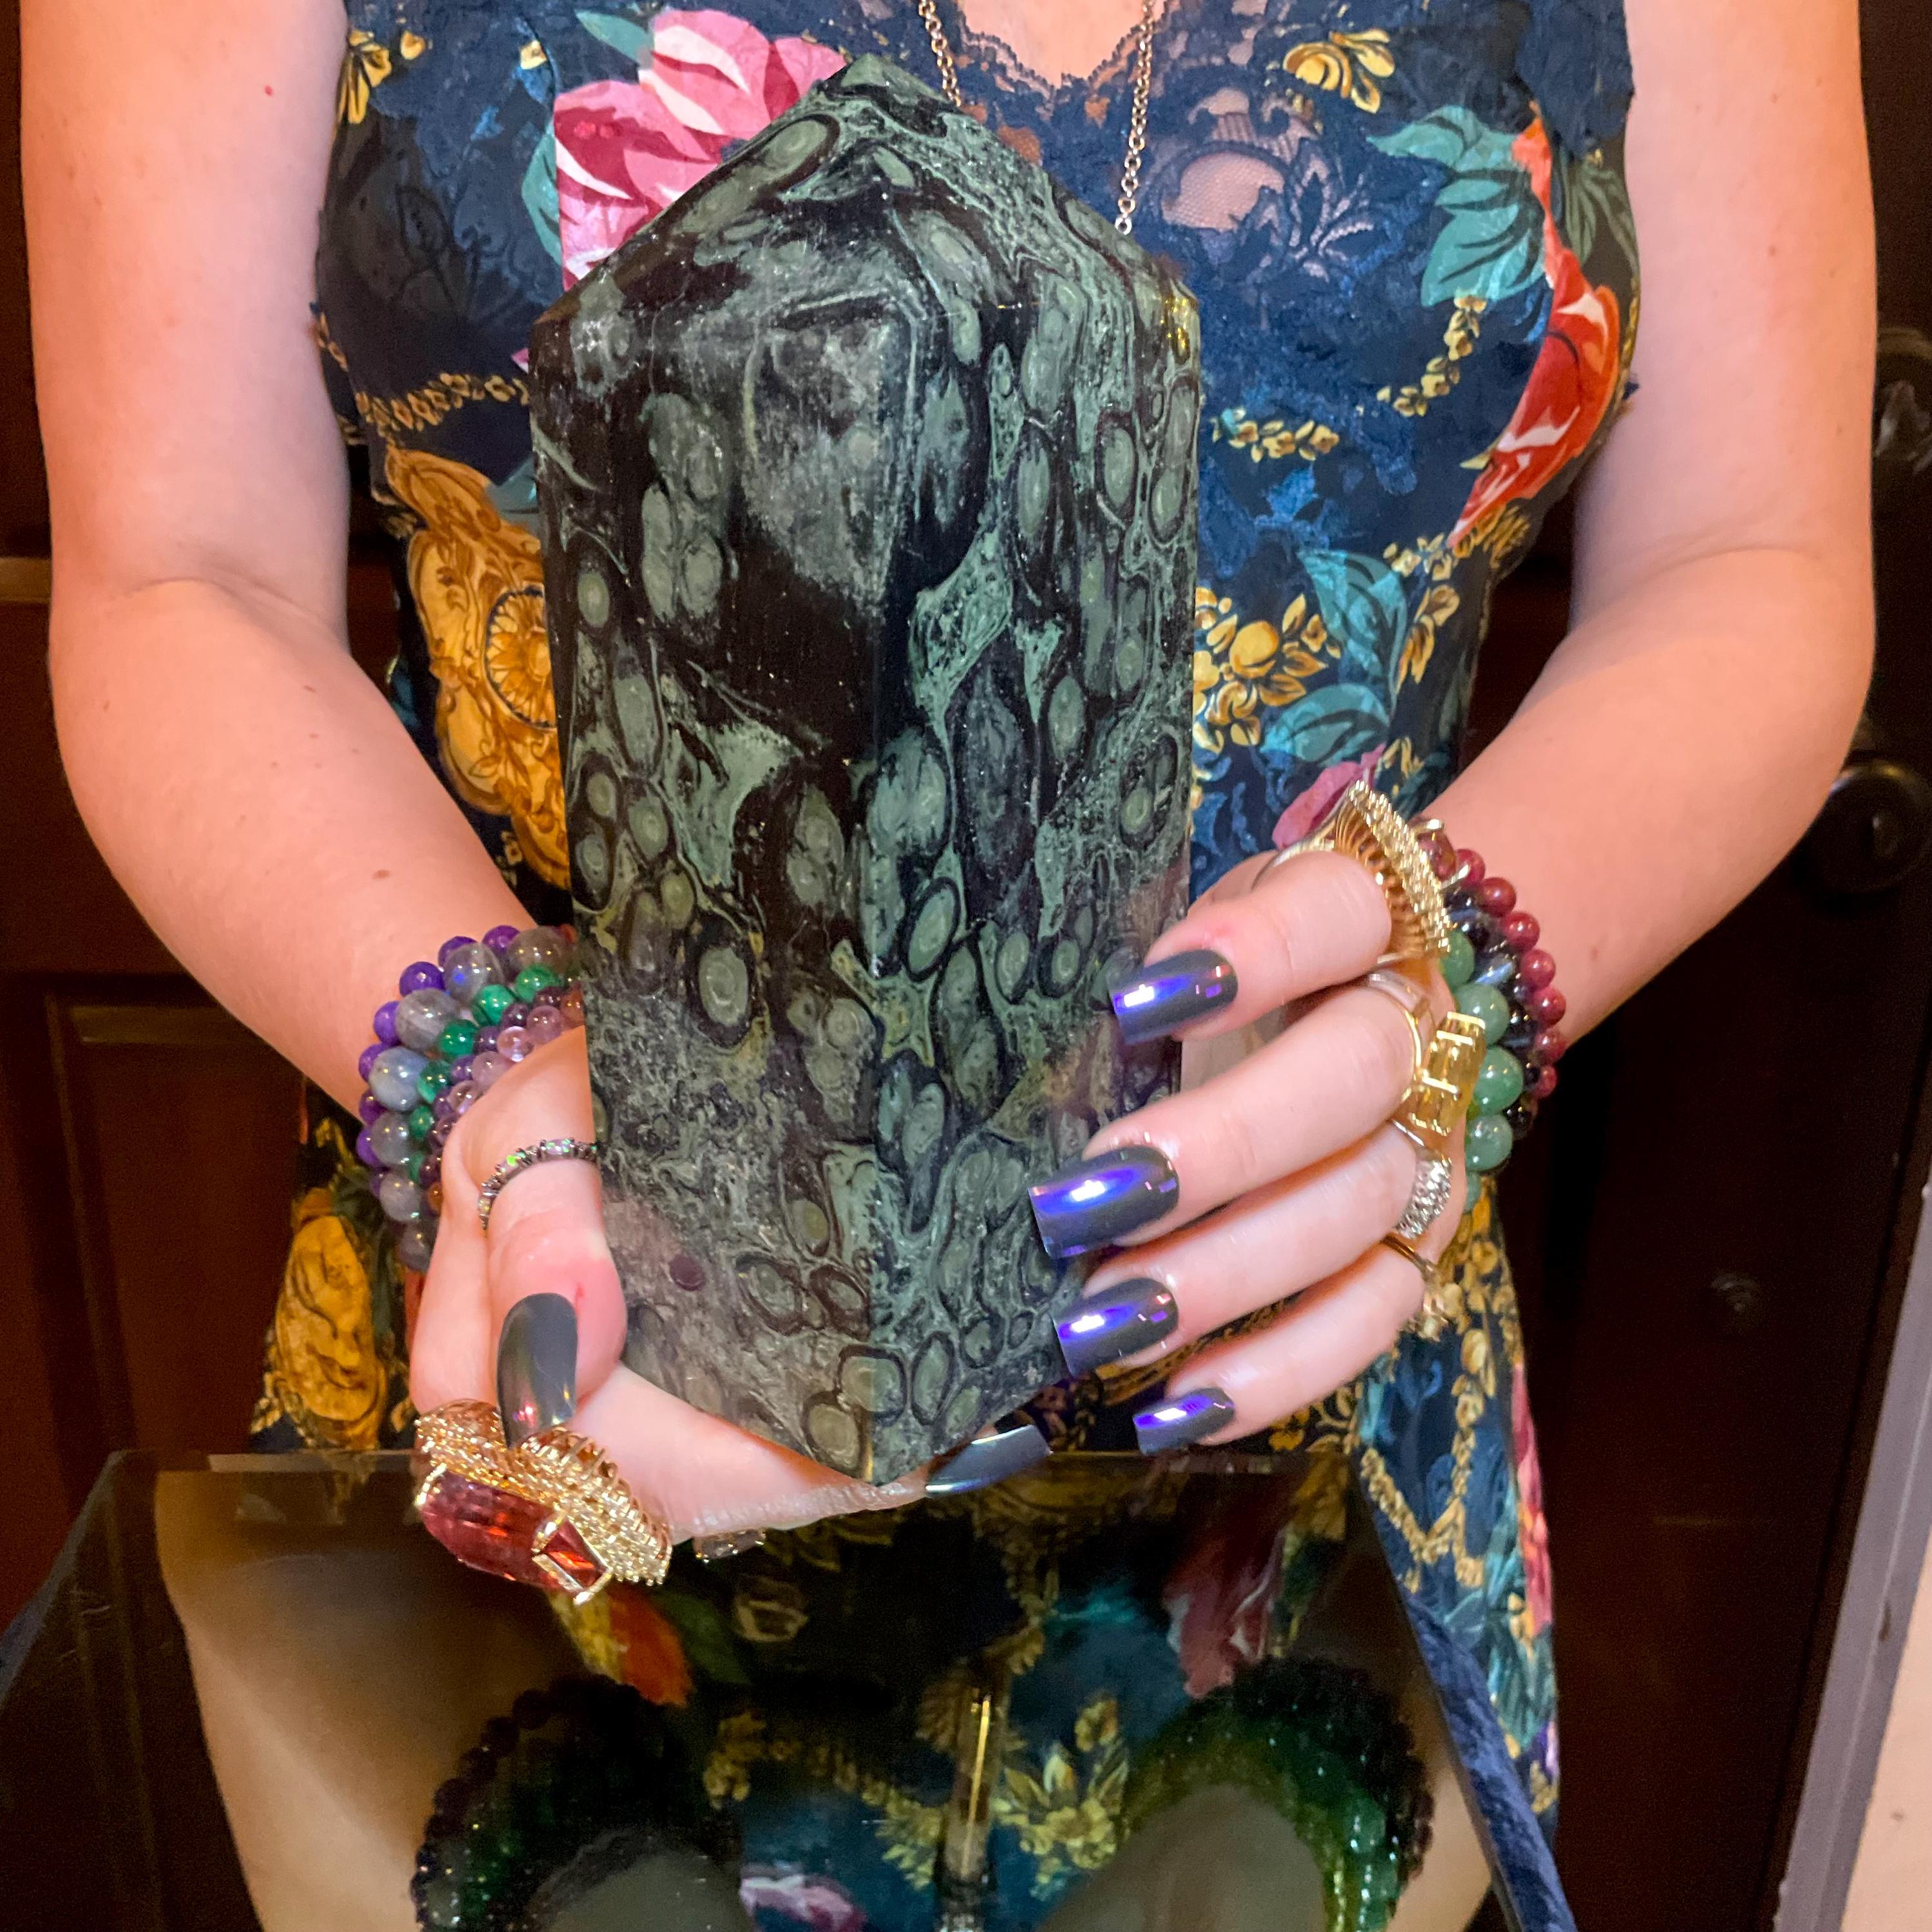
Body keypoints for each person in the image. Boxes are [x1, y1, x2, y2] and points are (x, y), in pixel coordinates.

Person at [22, 0, 1872, 1915]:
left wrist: (1463, 965)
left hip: (1287, 1412)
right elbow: (180, 569)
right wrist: (486, 1056)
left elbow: (1749, 553)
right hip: (554, 1377)